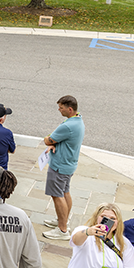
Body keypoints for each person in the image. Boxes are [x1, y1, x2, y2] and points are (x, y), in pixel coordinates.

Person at [43, 95, 86, 240]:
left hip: (60, 166)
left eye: (61, 107)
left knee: (57, 195)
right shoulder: (78, 120)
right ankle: (63, 220)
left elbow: (48, 139)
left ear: (70, 109)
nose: (59, 110)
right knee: (65, 192)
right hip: (69, 164)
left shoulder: (68, 126)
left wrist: (49, 140)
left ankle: (62, 230)